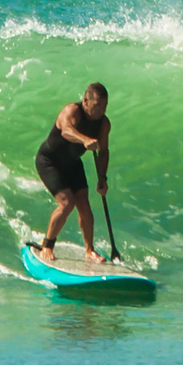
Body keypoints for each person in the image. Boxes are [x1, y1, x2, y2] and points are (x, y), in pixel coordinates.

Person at [33, 82, 111, 265]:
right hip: (49, 162)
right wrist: (84, 140)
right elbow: (67, 131)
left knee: (84, 204)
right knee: (67, 203)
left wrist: (102, 178)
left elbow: (104, 151)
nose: (101, 110)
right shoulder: (72, 111)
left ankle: (89, 250)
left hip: (72, 163)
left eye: (105, 106)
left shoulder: (104, 124)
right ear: (85, 101)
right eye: (97, 105)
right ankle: (48, 245)